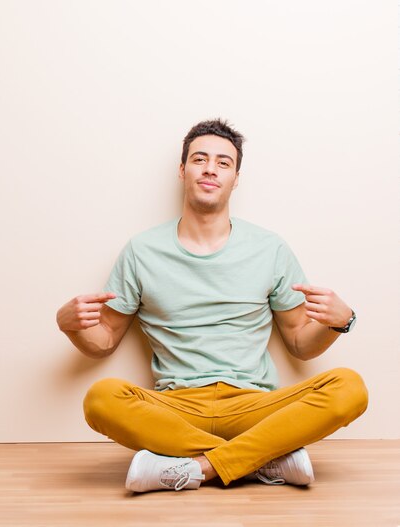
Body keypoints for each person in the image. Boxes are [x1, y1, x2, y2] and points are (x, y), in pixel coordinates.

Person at [56, 119, 368, 493]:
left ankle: (197, 469)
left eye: (223, 162)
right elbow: (104, 340)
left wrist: (339, 322)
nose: (210, 169)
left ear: (236, 178)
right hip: (176, 407)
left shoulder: (269, 248)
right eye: (200, 159)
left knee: (350, 387)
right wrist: (69, 324)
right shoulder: (142, 250)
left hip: (253, 406)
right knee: (101, 399)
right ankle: (262, 461)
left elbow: (301, 344)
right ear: (182, 169)